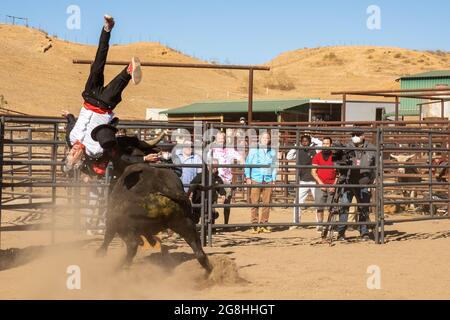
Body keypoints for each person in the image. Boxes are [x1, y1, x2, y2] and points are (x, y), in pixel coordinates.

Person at [63, 15, 142, 172]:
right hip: (104, 106)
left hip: (90, 97)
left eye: (69, 154)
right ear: (80, 160)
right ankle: (129, 70)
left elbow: (72, 124)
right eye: (73, 156)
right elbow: (109, 139)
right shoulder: (95, 150)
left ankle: (107, 29)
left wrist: (68, 116)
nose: (71, 152)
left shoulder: (71, 138)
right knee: (118, 84)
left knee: (98, 63)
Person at [336, 132, 376, 242]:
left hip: (364, 183)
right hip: (348, 182)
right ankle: (341, 233)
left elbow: (376, 165)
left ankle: (364, 232)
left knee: (363, 208)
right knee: (344, 207)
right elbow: (338, 162)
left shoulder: (372, 149)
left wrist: (373, 179)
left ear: (363, 136)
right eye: (353, 134)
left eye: (357, 134)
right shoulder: (347, 148)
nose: (355, 137)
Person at [207, 131, 244, 224]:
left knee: (227, 202)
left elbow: (240, 158)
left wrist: (242, 163)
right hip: (215, 179)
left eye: (223, 138)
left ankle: (226, 223)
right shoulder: (212, 150)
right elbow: (207, 162)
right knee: (213, 201)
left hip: (227, 180)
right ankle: (212, 224)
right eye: (219, 138)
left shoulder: (230, 150)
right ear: (216, 139)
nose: (221, 140)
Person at [244, 132, 278, 234]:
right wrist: (248, 177)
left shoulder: (272, 152)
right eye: (264, 138)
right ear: (260, 139)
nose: (265, 140)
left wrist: (273, 179)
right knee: (255, 203)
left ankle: (264, 224)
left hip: (267, 180)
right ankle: (254, 225)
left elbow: (274, 167)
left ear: (269, 140)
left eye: (267, 138)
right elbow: (247, 164)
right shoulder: (254, 151)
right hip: (256, 179)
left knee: (266, 204)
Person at [286, 135, 322, 228]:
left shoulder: (316, 149)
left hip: (314, 180)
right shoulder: (298, 150)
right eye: (303, 141)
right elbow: (288, 157)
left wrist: (313, 139)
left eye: (307, 141)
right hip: (303, 180)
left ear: (310, 142)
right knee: (297, 202)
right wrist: (295, 146)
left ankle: (319, 224)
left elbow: (322, 144)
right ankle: (296, 222)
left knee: (318, 202)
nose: (305, 143)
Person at [311, 137, 337, 233]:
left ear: (331, 144)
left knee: (332, 207)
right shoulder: (317, 156)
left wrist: (334, 185)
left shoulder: (335, 156)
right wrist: (321, 184)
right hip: (320, 184)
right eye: (324, 143)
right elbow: (313, 172)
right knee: (320, 206)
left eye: (327, 143)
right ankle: (320, 225)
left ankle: (330, 225)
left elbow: (338, 173)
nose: (325, 145)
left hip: (332, 185)